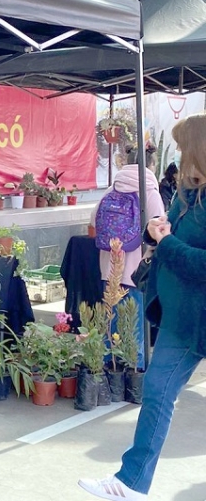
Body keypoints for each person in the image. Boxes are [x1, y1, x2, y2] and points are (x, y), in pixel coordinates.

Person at [78, 112, 206, 501]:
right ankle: (131, 482)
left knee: (158, 394)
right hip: (180, 318)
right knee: (156, 393)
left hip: (196, 316)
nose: (181, 157)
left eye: (186, 148)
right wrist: (163, 227)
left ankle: (131, 481)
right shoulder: (189, 193)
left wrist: (165, 243)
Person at [90, 144, 165, 369]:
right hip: (136, 271)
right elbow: (160, 232)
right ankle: (134, 371)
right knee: (135, 324)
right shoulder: (150, 192)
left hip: (109, 268)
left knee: (110, 322)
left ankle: (107, 369)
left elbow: (93, 223)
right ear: (151, 165)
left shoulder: (111, 190)